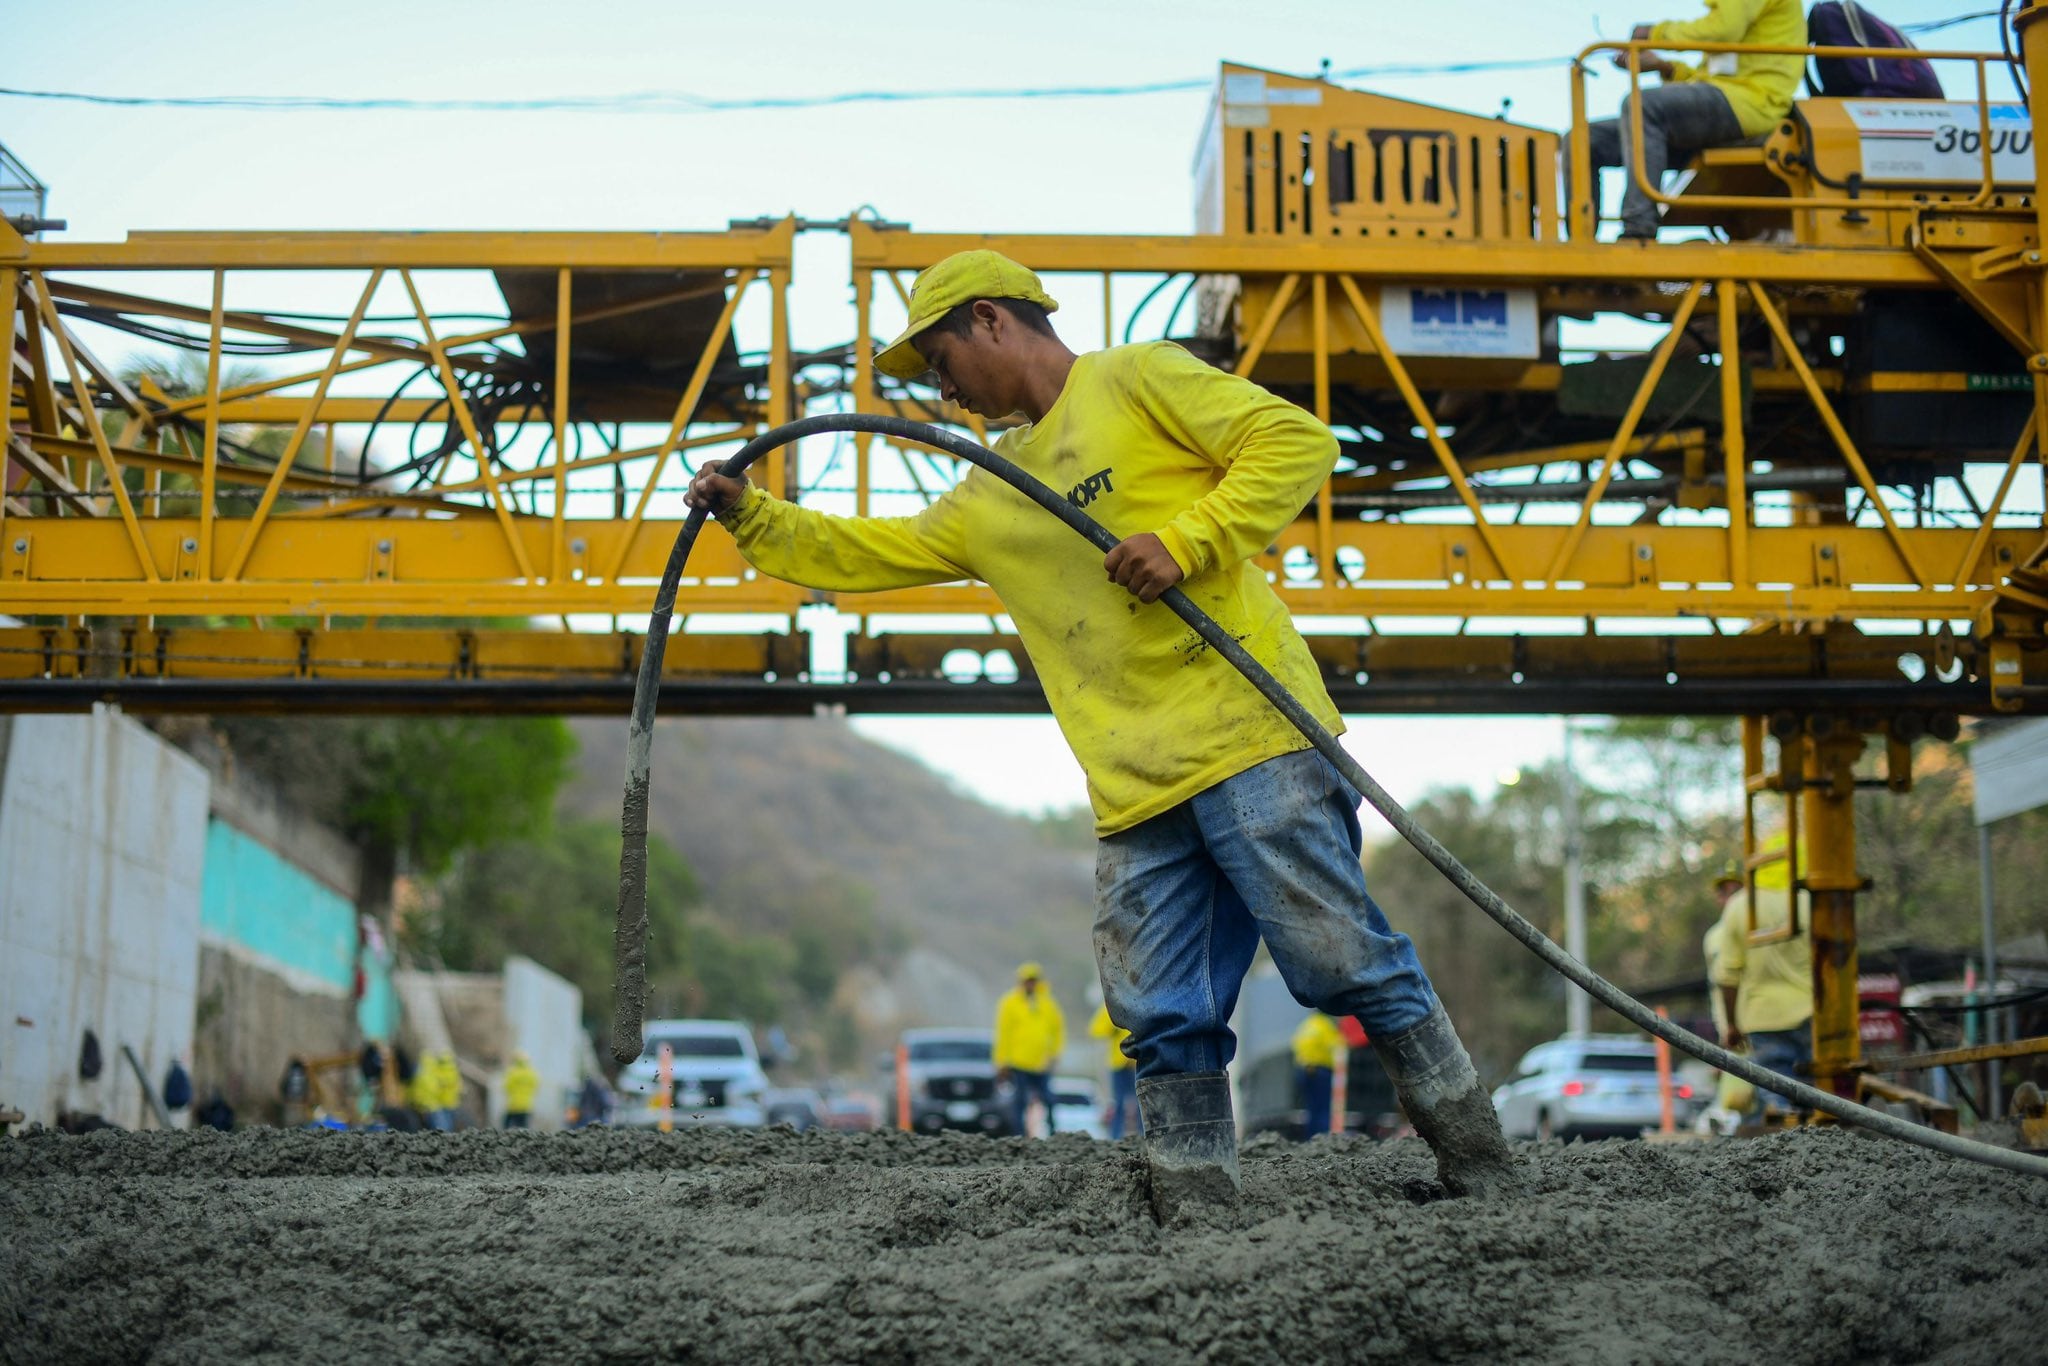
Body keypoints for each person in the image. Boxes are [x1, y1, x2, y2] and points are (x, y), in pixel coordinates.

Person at [686, 250, 1517, 1213]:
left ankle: (1482, 1174)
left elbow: (1296, 442)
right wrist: (752, 516)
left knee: (1342, 961)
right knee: (1160, 1011)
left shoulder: (1138, 378)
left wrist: (1187, 542)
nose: (942, 391)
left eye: (941, 361)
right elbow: (867, 550)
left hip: (1253, 738)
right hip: (1136, 791)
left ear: (990, 319)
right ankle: (1197, 1210)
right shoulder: (989, 493)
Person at [1585, 0, 1804, 239]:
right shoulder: (1735, 16)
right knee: (1584, 139)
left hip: (1755, 104)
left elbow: (1725, 29)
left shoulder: (1730, 17)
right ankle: (1581, 241)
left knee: (1642, 105)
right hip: (1728, 102)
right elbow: (1710, 78)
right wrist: (1665, 67)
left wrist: (1655, 33)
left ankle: (1638, 231)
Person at [1711, 841, 1813, 1114]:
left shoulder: (1740, 907)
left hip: (1762, 1018)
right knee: (1821, 1098)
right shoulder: (1812, 900)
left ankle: (1783, 1124)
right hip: (1813, 1014)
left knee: (1776, 1101)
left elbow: (1727, 976)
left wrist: (1732, 1025)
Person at [1700, 866, 1757, 1120]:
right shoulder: (1712, 938)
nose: (1730, 897)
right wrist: (1726, 1028)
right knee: (1738, 1099)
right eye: (1725, 892)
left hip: (1757, 1021)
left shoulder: (1756, 927)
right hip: (1730, 1030)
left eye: (1736, 890)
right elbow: (1718, 984)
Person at [992, 962, 1066, 1137]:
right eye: (1027, 981)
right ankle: (1019, 1136)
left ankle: (1054, 1134)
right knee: (1020, 1101)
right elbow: (1003, 1033)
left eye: (1033, 980)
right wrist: (1001, 1061)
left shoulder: (1048, 1003)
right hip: (1019, 1062)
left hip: (1042, 1062)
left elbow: (1057, 1030)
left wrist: (1055, 1053)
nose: (1030, 984)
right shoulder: (1010, 1003)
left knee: (1049, 1099)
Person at [1292, 1011, 1347, 1140]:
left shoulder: (1306, 1025)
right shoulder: (1325, 1026)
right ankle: (1322, 1139)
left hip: (1303, 1070)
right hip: (1321, 1071)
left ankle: (1311, 1139)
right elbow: (1337, 1047)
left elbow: (1295, 1045)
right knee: (1324, 1108)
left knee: (1311, 1107)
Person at [1090, 1001, 1140, 1140]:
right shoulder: (1112, 1006)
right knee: (1118, 1102)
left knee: (1141, 1102)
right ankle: (1115, 1137)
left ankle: (1144, 1135)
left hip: (1137, 1062)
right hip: (1119, 1064)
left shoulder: (1139, 1004)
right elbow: (1096, 1029)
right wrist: (1112, 1028)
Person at [503, 1051, 541, 1130]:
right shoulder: (532, 1073)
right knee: (524, 1128)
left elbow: (507, 1087)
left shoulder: (513, 1072)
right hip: (527, 1105)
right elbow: (536, 1086)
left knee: (506, 1127)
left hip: (513, 1105)